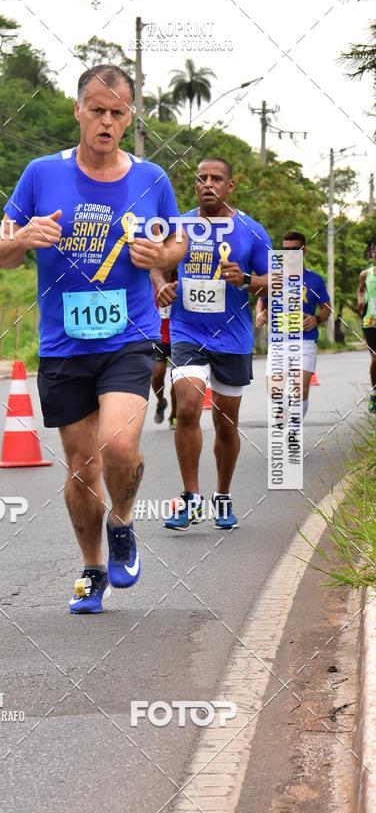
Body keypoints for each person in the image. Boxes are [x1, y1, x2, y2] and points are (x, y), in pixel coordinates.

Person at [0, 64, 187, 614]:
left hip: (129, 335)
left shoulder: (152, 179)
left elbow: (177, 245)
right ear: (77, 110)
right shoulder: (39, 174)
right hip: (63, 344)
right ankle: (92, 568)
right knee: (81, 466)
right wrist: (24, 238)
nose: (106, 120)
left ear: (129, 118)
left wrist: (161, 256)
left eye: (117, 112)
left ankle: (122, 525)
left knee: (119, 446)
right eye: (96, 110)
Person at [153, 157, 271, 532]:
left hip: (233, 339)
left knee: (225, 424)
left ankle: (222, 496)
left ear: (229, 186)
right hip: (188, 332)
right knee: (187, 407)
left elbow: (281, 277)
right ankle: (190, 497)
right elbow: (156, 262)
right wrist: (162, 285)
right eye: (201, 178)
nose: (208, 184)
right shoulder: (179, 226)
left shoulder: (251, 231)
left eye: (216, 178)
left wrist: (247, 279)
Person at [256, 231, 330, 418]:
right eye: (285, 249)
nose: (289, 254)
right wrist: (259, 314)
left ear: (304, 251)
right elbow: (262, 300)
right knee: (275, 393)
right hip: (278, 341)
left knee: (299, 392)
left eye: (294, 249)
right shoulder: (274, 277)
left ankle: (293, 430)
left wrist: (317, 319)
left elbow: (326, 308)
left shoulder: (315, 280)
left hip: (305, 341)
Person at [152, 277, 177, 427]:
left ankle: (175, 415)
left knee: (178, 378)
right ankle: (161, 402)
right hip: (157, 335)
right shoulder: (152, 279)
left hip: (178, 335)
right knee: (157, 372)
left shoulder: (180, 278)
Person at [357, 239, 376, 414]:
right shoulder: (365, 274)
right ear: (372, 253)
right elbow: (361, 289)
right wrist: (360, 300)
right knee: (375, 359)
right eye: (375, 250)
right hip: (371, 322)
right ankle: (375, 394)